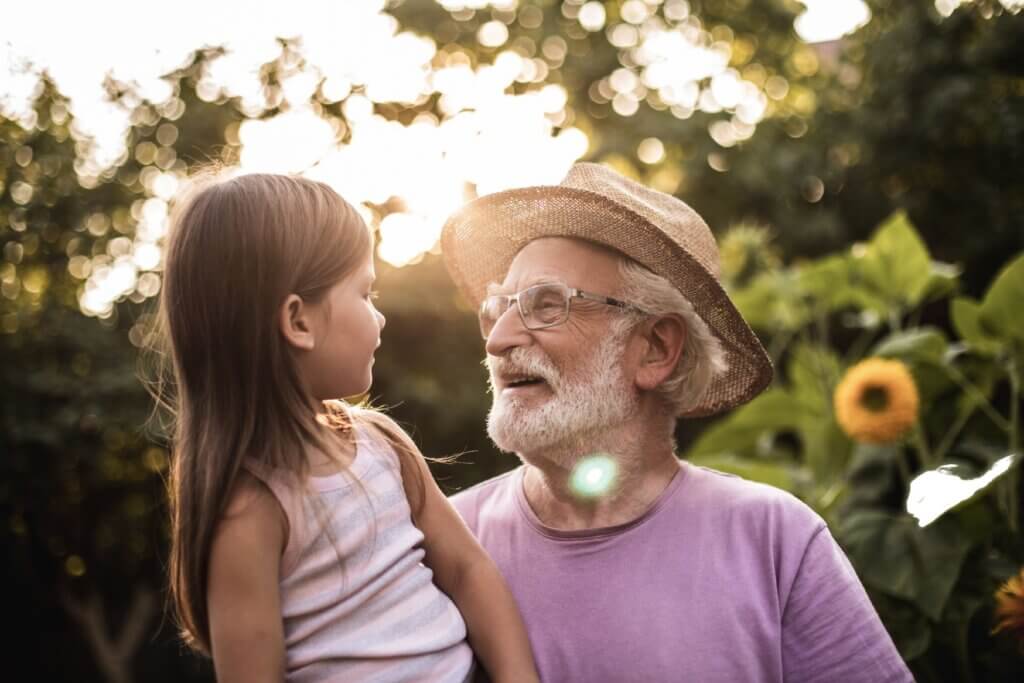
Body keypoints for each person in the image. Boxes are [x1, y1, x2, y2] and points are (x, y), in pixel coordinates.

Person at [440, 162, 913, 682]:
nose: (497, 339)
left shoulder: (775, 540)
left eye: (545, 304)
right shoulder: (442, 544)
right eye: (497, 307)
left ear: (656, 349)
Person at [156, 172, 539, 683]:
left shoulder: (381, 446)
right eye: (365, 293)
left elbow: (468, 571)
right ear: (298, 322)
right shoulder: (250, 513)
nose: (378, 318)